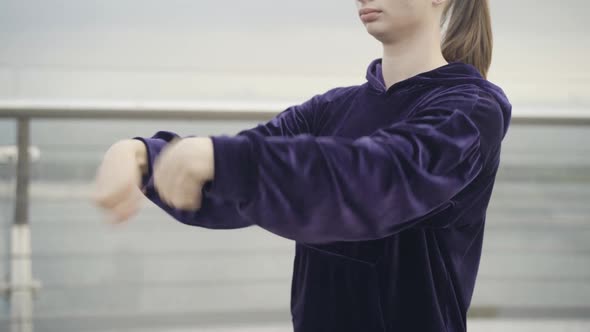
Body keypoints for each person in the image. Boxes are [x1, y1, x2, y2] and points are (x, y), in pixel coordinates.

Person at [93, 0, 512, 331]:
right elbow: (228, 182)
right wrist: (141, 155)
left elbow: (375, 181)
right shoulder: (331, 108)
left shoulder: (471, 110)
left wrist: (221, 158)